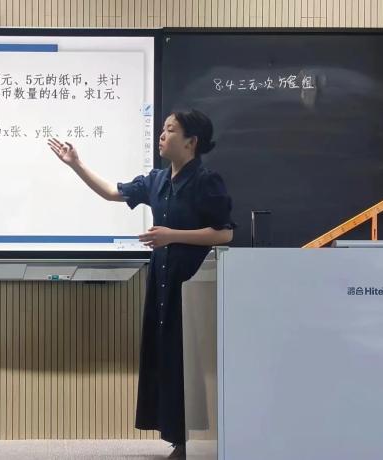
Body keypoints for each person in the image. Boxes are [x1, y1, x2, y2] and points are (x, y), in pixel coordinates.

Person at [48, 109, 236, 459]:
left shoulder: (206, 181)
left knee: (187, 359)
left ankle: (189, 442)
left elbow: (224, 233)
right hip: (161, 281)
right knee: (165, 356)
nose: (162, 135)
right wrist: (76, 164)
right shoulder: (156, 180)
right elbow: (111, 192)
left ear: (191, 142)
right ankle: (177, 438)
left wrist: (172, 235)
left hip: (191, 284)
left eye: (170, 130)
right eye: (162, 129)